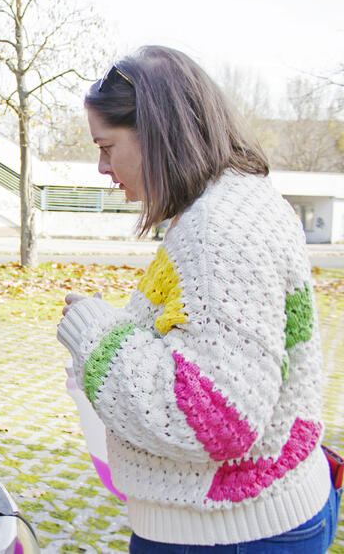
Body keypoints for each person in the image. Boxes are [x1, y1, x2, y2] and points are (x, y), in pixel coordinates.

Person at [56, 46, 340, 552]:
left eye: (107, 145)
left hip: (226, 532)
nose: (102, 166)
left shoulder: (217, 230)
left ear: (157, 135)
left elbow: (217, 415)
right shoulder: (242, 202)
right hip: (263, 514)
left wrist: (94, 331)